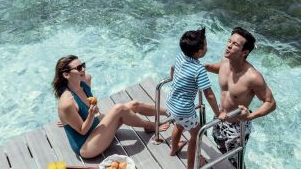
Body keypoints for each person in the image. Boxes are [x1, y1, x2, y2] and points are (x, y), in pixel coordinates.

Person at [53, 55, 166, 159]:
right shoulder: (67, 103)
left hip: (95, 127)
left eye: (82, 65)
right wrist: (90, 114)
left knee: (134, 104)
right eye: (78, 68)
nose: (83, 69)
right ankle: (150, 126)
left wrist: (73, 117)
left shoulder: (86, 80)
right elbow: (82, 131)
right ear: (66, 74)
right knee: (119, 109)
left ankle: (169, 112)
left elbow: (88, 106)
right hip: (86, 146)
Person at [204, 27, 276, 167]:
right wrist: (206, 67)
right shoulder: (226, 60)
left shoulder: (253, 77)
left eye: (235, 44)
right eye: (229, 41)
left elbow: (271, 103)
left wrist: (250, 116)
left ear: (244, 52)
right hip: (220, 118)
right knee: (221, 151)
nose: (229, 45)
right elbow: (222, 69)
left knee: (236, 163)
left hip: (237, 127)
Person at [166, 27, 222, 169]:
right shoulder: (199, 70)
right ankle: (191, 166)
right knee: (196, 135)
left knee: (179, 125)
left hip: (171, 104)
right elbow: (208, 94)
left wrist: (174, 80)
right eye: (205, 46)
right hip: (184, 110)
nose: (207, 48)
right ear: (199, 52)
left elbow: (173, 69)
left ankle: (173, 149)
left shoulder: (180, 56)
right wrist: (218, 113)